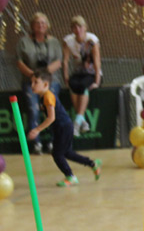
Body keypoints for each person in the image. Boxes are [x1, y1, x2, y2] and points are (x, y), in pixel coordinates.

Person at [26, 70, 101, 186]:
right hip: (60, 128)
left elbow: (51, 118)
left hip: (63, 127)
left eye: (36, 82)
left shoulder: (48, 97)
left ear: (45, 84)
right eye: (31, 82)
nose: (32, 85)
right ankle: (92, 164)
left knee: (57, 154)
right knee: (67, 152)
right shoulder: (43, 97)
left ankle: (70, 177)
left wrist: (36, 130)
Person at [17, 12, 64, 154]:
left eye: (43, 23)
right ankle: (36, 143)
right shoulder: (23, 42)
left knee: (51, 110)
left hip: (50, 81)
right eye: (37, 23)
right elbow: (19, 62)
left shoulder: (54, 42)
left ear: (47, 25)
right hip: (30, 80)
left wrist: (44, 75)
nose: (40, 25)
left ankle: (52, 142)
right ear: (32, 25)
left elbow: (58, 62)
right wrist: (34, 76)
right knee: (34, 109)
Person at [62, 15, 101, 134]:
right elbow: (65, 61)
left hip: (91, 74)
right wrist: (66, 78)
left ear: (85, 27)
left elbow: (97, 61)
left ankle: (77, 122)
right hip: (78, 73)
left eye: (80, 26)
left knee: (83, 86)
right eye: (74, 27)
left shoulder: (92, 40)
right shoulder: (68, 41)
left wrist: (97, 81)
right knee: (73, 85)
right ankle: (82, 121)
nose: (78, 30)